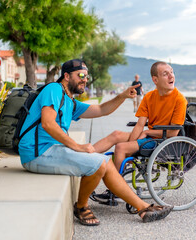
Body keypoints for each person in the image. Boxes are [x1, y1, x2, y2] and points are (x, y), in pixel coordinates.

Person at [18, 59, 173, 226]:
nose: (85, 79)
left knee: (105, 161)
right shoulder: (54, 89)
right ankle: (81, 206)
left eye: (87, 76)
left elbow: (101, 110)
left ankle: (142, 208)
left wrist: (121, 96)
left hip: (51, 150)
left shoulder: (69, 100)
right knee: (98, 163)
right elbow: (48, 123)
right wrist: (77, 146)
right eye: (81, 75)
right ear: (67, 76)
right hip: (37, 153)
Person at [92, 61, 187, 198]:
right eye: (165, 74)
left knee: (120, 148)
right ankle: (86, 155)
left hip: (162, 140)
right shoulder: (149, 97)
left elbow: (173, 133)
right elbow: (140, 125)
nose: (171, 76)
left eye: (171, 72)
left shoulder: (179, 100)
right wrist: (132, 143)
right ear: (155, 79)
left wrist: (146, 133)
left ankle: (115, 191)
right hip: (148, 137)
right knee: (116, 135)